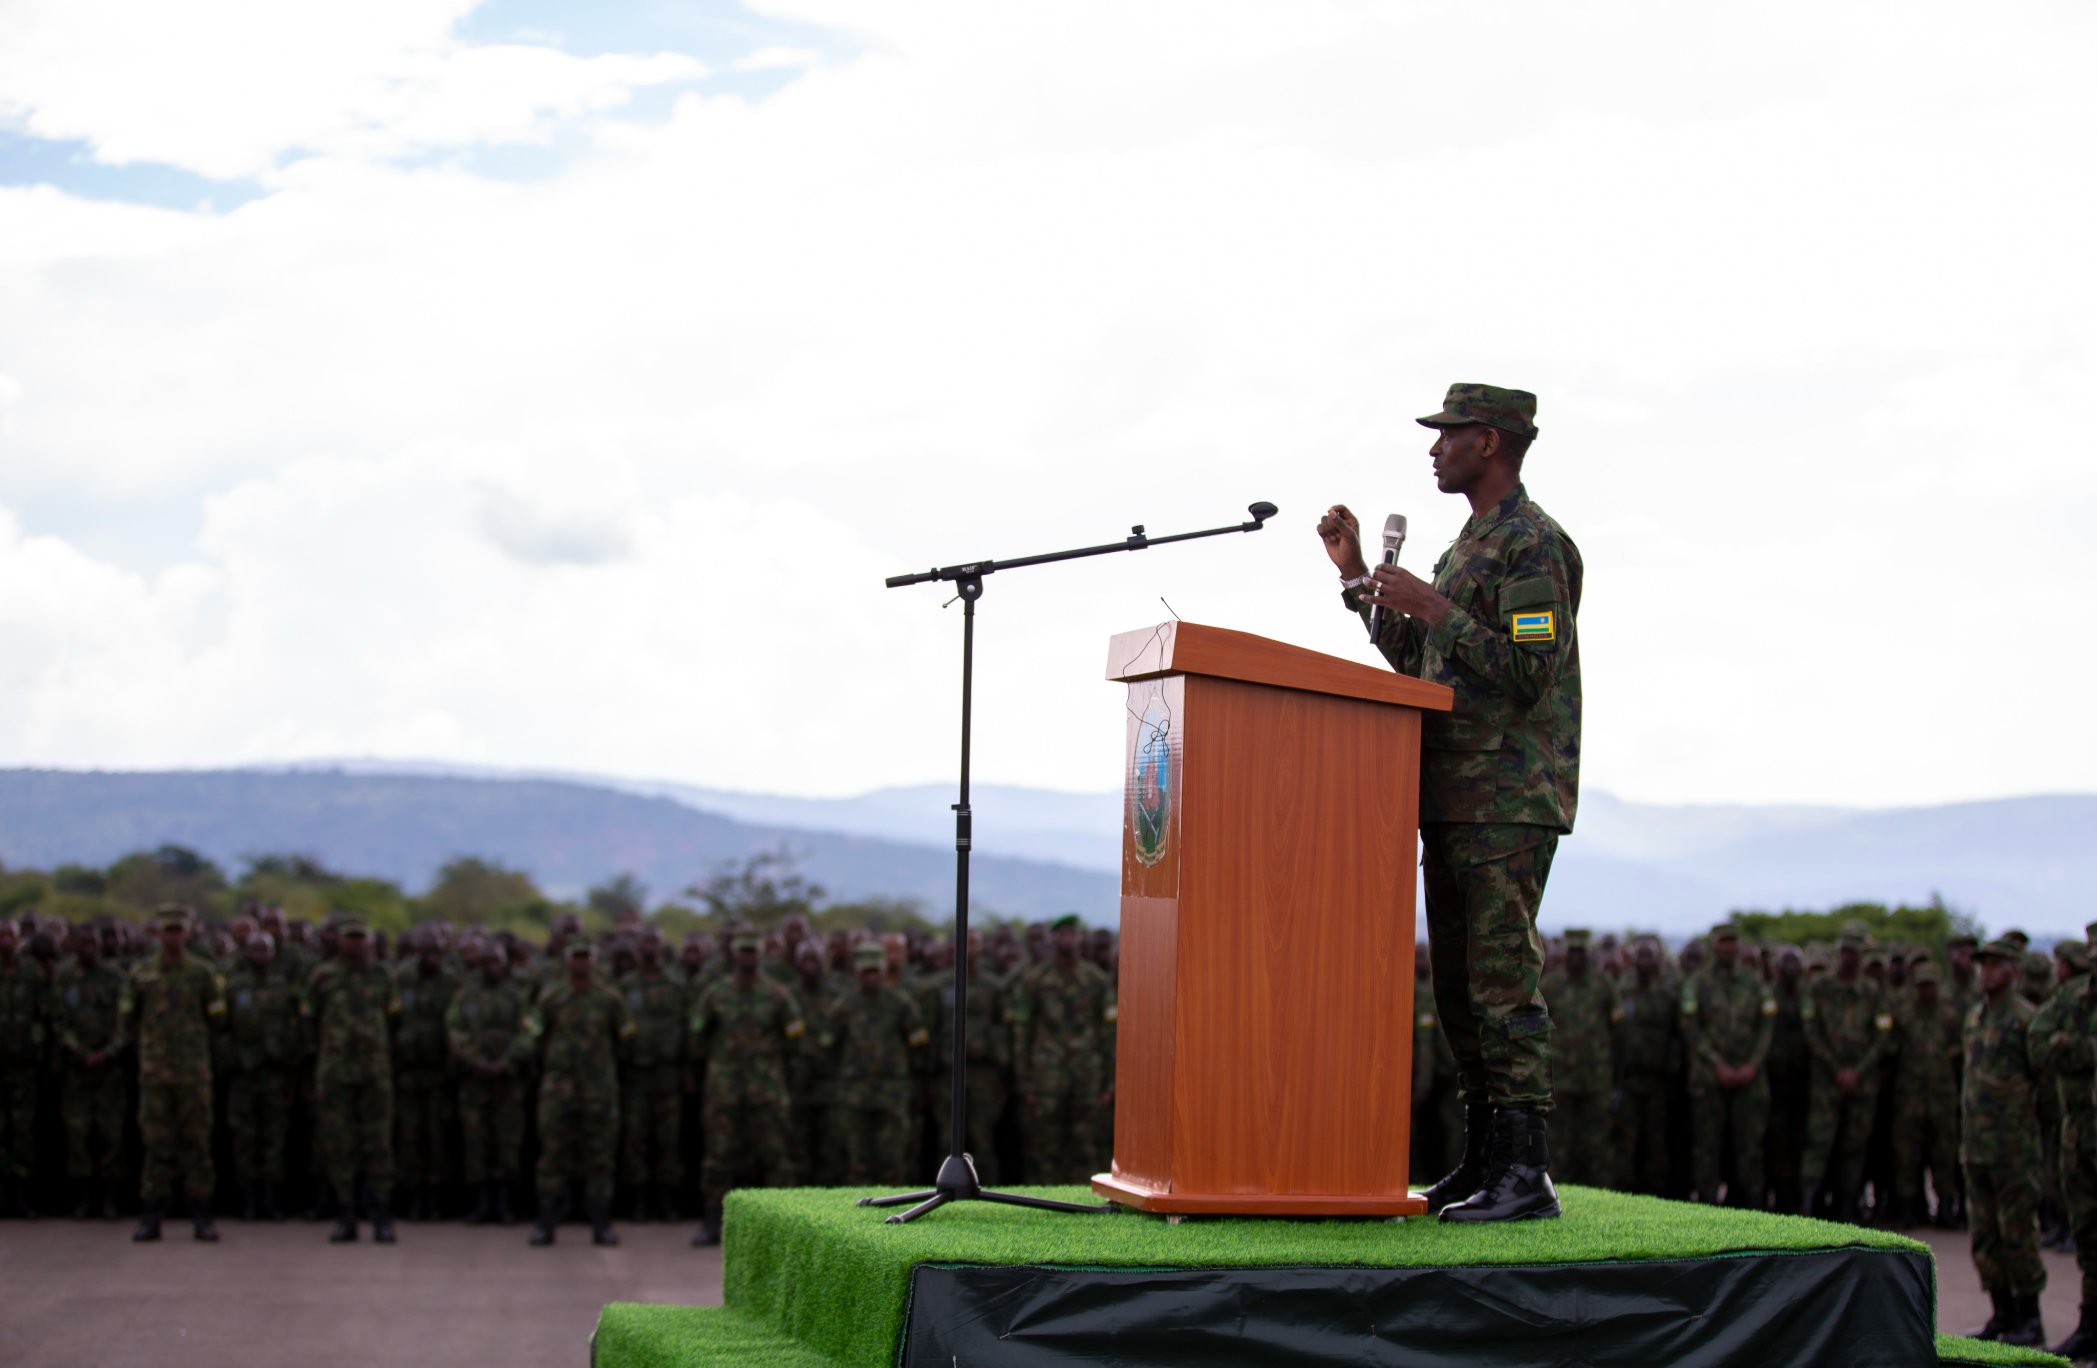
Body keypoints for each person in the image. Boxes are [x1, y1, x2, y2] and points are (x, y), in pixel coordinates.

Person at [1318, 381, 1582, 1223]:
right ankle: (1483, 1159)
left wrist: (1432, 604)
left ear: (1493, 443)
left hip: (1508, 794)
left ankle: (1525, 1173)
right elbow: (1426, 664)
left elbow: (1526, 670)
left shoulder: (1532, 546)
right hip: (1452, 791)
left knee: (1503, 984)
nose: (1434, 448)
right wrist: (1360, 577)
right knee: (1463, 990)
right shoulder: (1468, 543)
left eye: (1449, 434)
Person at [687, 933, 803, 1246]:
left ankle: (780, 1224)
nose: (748, 958)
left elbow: (795, 1039)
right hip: (725, 1090)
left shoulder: (778, 995)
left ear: (762, 955)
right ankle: (712, 1222)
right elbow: (697, 1037)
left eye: (753, 952)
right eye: (743, 952)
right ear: (734, 955)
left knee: (774, 1157)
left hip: (765, 1091)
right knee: (719, 1157)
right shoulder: (716, 994)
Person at [121, 904, 225, 1242]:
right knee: (156, 1145)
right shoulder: (142, 974)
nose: (173, 936)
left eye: (178, 930)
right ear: (157, 933)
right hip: (155, 1073)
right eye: (167, 930)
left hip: (192, 1073)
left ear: (188, 933)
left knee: (197, 1145)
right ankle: (152, 1217)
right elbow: (129, 1019)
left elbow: (218, 1020)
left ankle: (202, 1217)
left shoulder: (203, 974)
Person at [1961, 939, 2046, 1347]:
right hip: (1976, 1145)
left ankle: (2030, 1319)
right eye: (1983, 965)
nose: (1985, 972)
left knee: (2018, 1234)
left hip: (2012, 1147)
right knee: (1985, 1234)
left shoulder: (2026, 1019)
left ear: (2012, 969)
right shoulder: (1975, 1016)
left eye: (1994, 965)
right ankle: (2002, 1314)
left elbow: (2044, 1086)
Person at [528, 940, 633, 1247]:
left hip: (598, 1090)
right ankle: (546, 1224)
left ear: (595, 961)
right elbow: (535, 1036)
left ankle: (601, 1225)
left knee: (600, 1157)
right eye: (576, 958)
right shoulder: (552, 998)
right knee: (552, 1156)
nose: (581, 964)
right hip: (559, 1090)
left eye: (587, 958)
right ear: (566, 961)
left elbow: (625, 1039)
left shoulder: (609, 999)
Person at [305, 918, 402, 1243]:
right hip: (335, 1072)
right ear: (340, 942)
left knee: (378, 1145)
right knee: (338, 1145)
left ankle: (381, 1217)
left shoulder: (383, 976)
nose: (356, 944)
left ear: (370, 943)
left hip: (374, 1074)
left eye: (361, 939)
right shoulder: (323, 976)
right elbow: (309, 1022)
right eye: (350, 939)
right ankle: (345, 1215)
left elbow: (394, 1021)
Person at [1008, 915, 1113, 1184]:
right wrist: (1025, 1081)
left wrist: (1110, 1082)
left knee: (1085, 1143)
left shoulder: (1096, 980)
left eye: (1072, 934)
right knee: (1044, 1145)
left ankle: (1083, 1199)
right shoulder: (1035, 979)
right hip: (1046, 1074)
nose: (1067, 940)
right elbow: (1022, 1032)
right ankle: (1043, 1199)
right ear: (1053, 939)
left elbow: (1108, 1032)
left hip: (1087, 1073)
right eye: (1062, 934)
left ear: (1080, 939)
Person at [1799, 922, 1890, 1221]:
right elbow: (1812, 1032)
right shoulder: (1820, 988)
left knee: (1855, 1146)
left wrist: (1858, 1071)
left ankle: (1847, 1208)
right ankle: (1808, 1207)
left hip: (1861, 1084)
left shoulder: (1871, 992)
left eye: (1855, 952)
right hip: (1827, 1083)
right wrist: (1837, 1069)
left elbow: (1881, 1036)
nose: (1849, 957)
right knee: (1819, 1144)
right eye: (1845, 951)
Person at [1681, 924, 1774, 1208]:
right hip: (1710, 1079)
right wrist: (1717, 1064)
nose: (1728, 948)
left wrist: (1752, 1065)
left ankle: (1753, 1209)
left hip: (1749, 1080)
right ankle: (1708, 1206)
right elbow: (1690, 1028)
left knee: (1750, 1149)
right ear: (1714, 946)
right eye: (1723, 942)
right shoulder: (1697, 983)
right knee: (1708, 1148)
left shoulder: (1755, 984)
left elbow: (1766, 1028)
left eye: (1733, 942)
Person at [826, 942, 928, 1186]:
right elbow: (828, 1045)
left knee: (892, 1160)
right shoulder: (844, 1006)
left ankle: (895, 1212)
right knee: (858, 1160)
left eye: (875, 971)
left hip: (891, 1092)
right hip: (855, 1092)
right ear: (857, 973)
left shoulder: (900, 1004)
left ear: (883, 972)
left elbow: (919, 1044)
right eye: (866, 972)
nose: (871, 977)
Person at [447, 938, 531, 1226]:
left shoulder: (517, 994)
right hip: (475, 1081)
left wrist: (508, 1061)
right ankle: (481, 1203)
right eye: (485, 962)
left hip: (509, 1081)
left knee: (508, 1142)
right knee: (476, 1142)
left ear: (505, 963)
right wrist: (475, 1060)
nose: (491, 967)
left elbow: (530, 1029)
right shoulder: (465, 995)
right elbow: (455, 1030)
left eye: (496, 961)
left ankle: (505, 1203)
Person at [225, 930, 307, 1222]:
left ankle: (270, 1200)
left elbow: (295, 1029)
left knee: (273, 1138)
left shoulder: (284, 988)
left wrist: (285, 1058)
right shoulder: (233, 986)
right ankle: (247, 1201)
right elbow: (222, 1029)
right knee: (244, 1138)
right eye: (255, 949)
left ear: (274, 953)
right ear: (245, 952)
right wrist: (235, 1060)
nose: (260, 955)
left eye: (265, 950)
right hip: (244, 1074)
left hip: (275, 1074)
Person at [53, 925, 127, 1220]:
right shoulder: (64, 977)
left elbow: (126, 1020)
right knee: (79, 1134)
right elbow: (58, 1020)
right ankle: (83, 1199)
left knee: (111, 1135)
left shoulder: (115, 977)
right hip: (77, 1070)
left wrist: (107, 1053)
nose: (88, 948)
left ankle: (108, 1200)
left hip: (110, 1069)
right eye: (83, 943)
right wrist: (81, 1052)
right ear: (74, 945)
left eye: (93, 943)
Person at [1540, 929, 1618, 1188]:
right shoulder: (1551, 985)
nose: (1576, 958)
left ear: (1589, 954)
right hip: (1561, 1077)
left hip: (1595, 1078)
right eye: (1571, 952)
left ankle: (1598, 1191)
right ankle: (1557, 1190)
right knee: (1560, 1142)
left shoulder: (1603, 985)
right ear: (1565, 955)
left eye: (1581, 952)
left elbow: (1615, 1026)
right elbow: (1540, 1027)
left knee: (1596, 1141)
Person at [620, 934, 689, 1224]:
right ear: (637, 949)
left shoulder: (676, 984)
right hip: (636, 1074)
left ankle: (667, 1202)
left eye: (654, 944)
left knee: (667, 1139)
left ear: (662, 948)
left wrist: (688, 1071)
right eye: (644, 944)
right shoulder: (625, 985)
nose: (649, 949)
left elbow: (687, 1028)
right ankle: (639, 1202)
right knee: (636, 1138)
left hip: (667, 1074)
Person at [1890, 961, 1962, 1230]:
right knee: (1907, 1156)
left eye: (1931, 985)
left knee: (1943, 1155)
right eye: (1922, 986)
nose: (1926, 991)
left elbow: (1959, 1052)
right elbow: (1892, 1050)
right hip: (1909, 1097)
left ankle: (1945, 1209)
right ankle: (1909, 1209)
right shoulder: (1904, 1014)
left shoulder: (1949, 1015)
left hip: (1941, 1097)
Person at [391, 933, 455, 1221]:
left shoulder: (452, 981)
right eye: (426, 950)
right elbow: (389, 1022)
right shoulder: (401, 978)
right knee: (409, 1136)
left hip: (439, 1073)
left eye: (437, 952)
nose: (432, 957)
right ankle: (412, 1197)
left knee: (437, 1137)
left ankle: (437, 1197)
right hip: (407, 1073)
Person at [1614, 936, 1678, 1195]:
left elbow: (1677, 1036)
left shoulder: (1668, 995)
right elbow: (1615, 1037)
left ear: (1658, 961)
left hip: (1658, 1082)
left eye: (1649, 956)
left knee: (1657, 1144)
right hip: (1629, 1081)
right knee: (1626, 1143)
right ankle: (1625, 1194)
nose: (1644, 961)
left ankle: (1656, 1194)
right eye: (1640, 956)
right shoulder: (1622, 992)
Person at [0, 917, 47, 1219]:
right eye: (1, 935)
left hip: (23, 1067)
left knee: (22, 1132)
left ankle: (21, 1197)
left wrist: (35, 1047)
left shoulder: (32, 972)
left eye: (10, 936)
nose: (5, 941)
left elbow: (46, 1013)